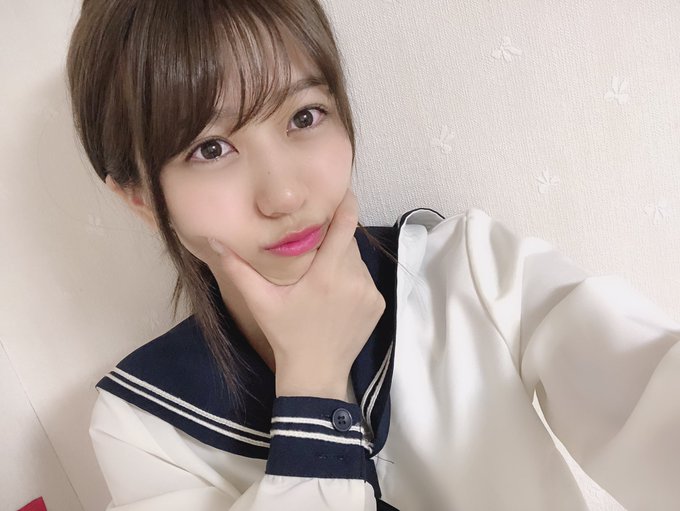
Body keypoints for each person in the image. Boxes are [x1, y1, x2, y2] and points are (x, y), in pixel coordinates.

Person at [66, 1, 680, 510]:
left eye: (304, 116)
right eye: (210, 149)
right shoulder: (144, 426)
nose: (284, 195)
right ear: (140, 197)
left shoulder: (470, 272)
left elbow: (649, 392)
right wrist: (313, 382)